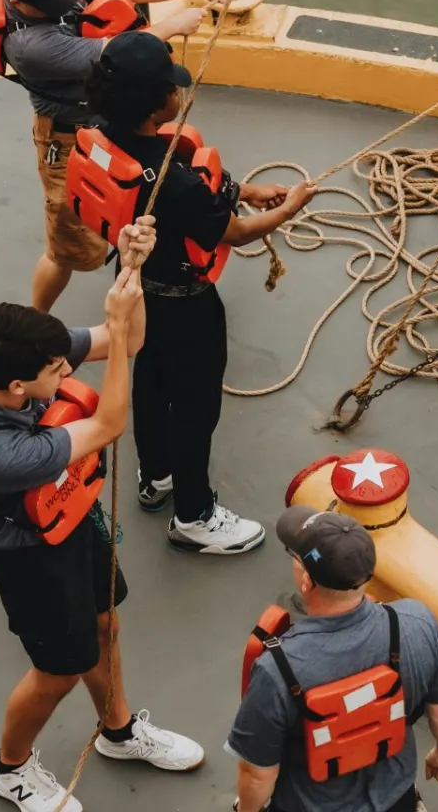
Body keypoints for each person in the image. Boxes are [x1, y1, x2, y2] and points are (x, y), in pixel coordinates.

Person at [0, 222, 206, 812]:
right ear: (18, 385)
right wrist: (116, 335)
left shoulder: (18, 354)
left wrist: (132, 273)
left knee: (106, 626)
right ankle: (8, 768)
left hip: (77, 518)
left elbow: (128, 341)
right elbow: (110, 423)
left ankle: (118, 733)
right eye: (56, 371)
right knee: (57, 673)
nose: (67, 371)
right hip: (33, 556)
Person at [81, 31, 316, 553]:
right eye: (172, 87)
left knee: (149, 377)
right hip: (187, 305)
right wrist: (288, 208)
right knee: (193, 406)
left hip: (137, 288)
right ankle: (193, 515)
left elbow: (178, 167)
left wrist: (246, 190)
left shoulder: (102, 131)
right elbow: (233, 232)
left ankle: (155, 475)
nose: (180, 93)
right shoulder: (175, 186)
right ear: (156, 103)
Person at [0, 0, 228, 312]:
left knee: (154, 199)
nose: (65, 3)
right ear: (19, 4)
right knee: (65, 248)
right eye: (53, 4)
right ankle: (35, 320)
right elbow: (116, 54)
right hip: (70, 135)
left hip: (120, 114)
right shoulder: (29, 46)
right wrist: (173, 26)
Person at [229, 507, 438, 812]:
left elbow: (257, 775)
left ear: (307, 582)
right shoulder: (416, 623)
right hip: (396, 799)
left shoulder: (277, 670)